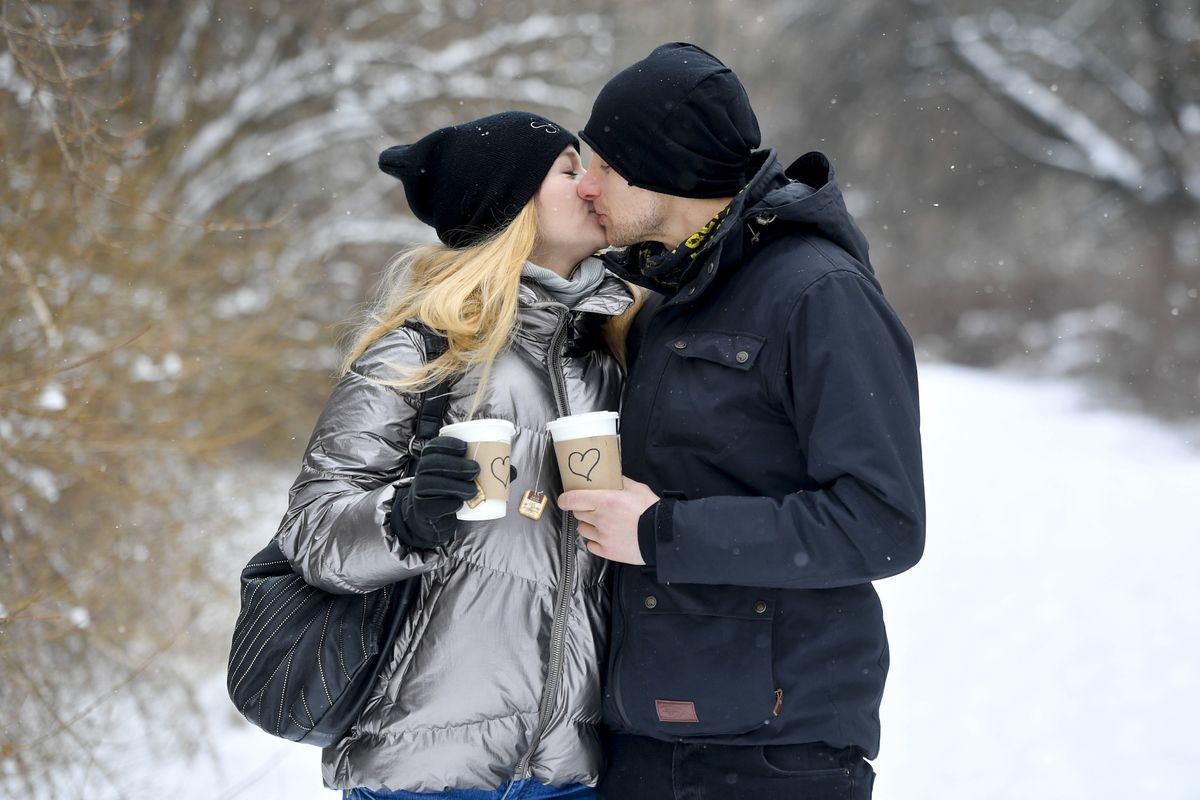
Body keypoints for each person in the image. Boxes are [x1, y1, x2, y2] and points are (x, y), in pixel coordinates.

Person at [557, 43, 926, 799]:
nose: (587, 185)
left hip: (770, 755)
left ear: (668, 167)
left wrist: (664, 534)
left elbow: (883, 523)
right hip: (648, 743)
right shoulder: (672, 296)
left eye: (606, 165)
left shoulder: (818, 295)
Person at [273, 111, 641, 798]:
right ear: (510, 206)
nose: (593, 185)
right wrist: (403, 517)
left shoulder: (610, 353)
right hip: (425, 770)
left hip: (569, 772)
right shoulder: (421, 352)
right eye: (569, 170)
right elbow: (311, 531)